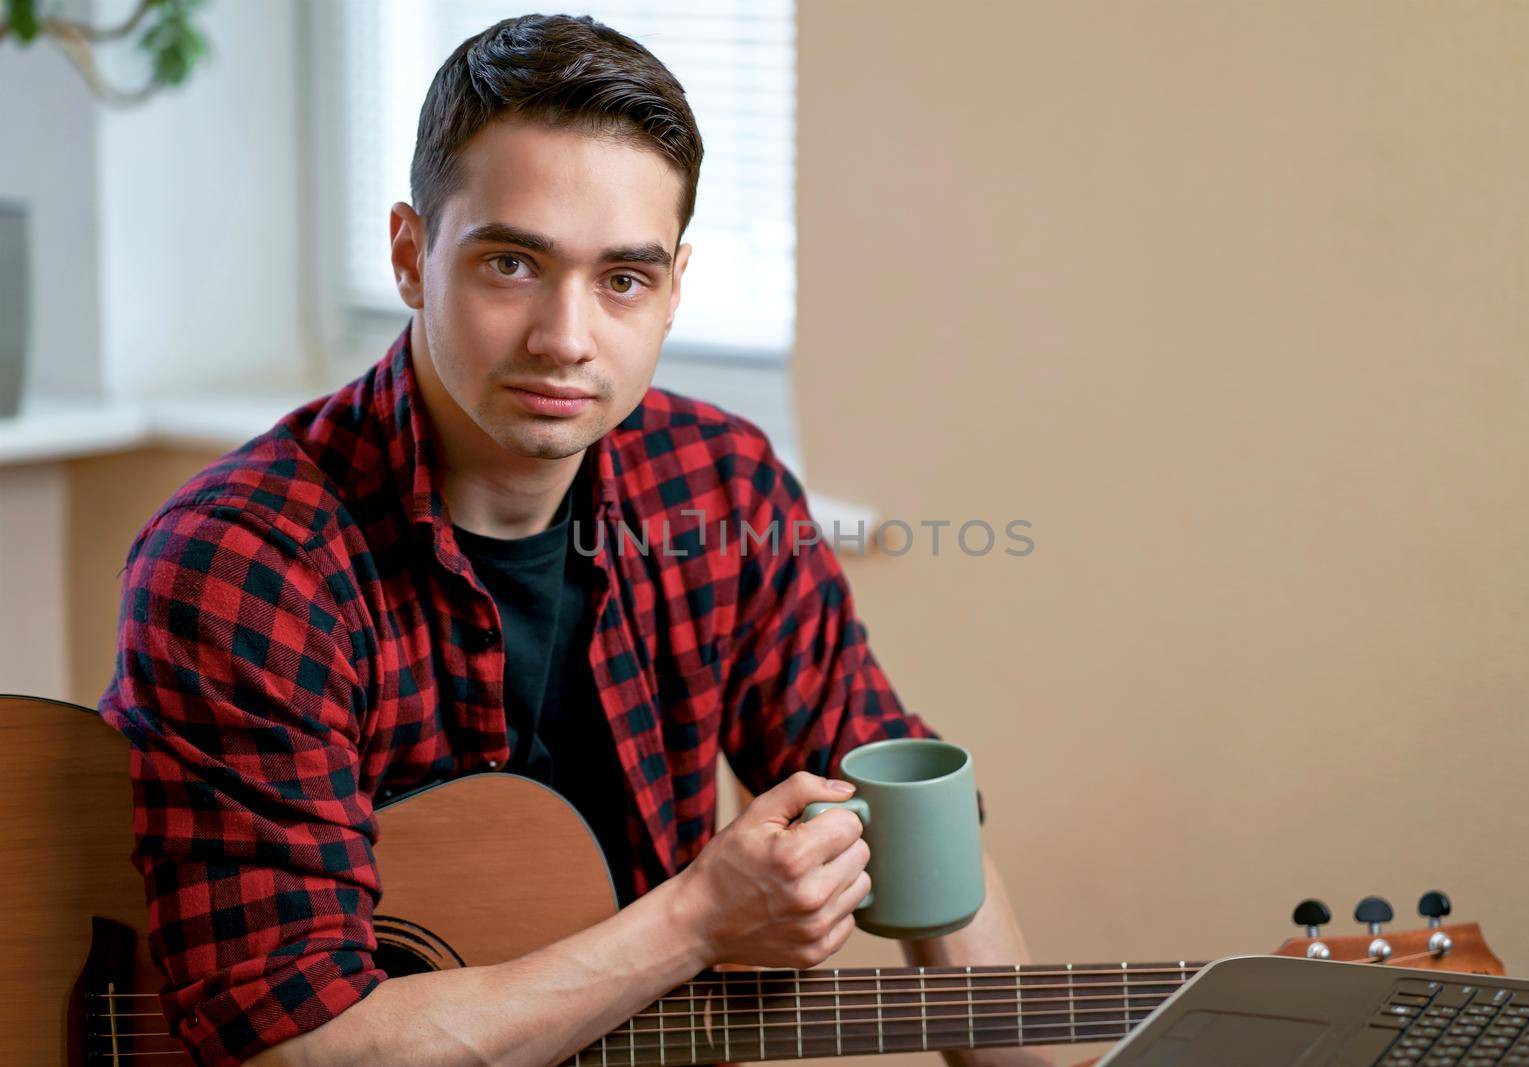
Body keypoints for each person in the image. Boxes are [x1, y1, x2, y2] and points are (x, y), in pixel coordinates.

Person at [98, 14, 1041, 1067]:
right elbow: (292, 1041)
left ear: (673, 289)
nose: (565, 338)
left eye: (623, 279)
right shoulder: (245, 563)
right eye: (511, 264)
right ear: (412, 255)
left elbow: (915, 828)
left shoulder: (717, 486)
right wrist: (693, 921)